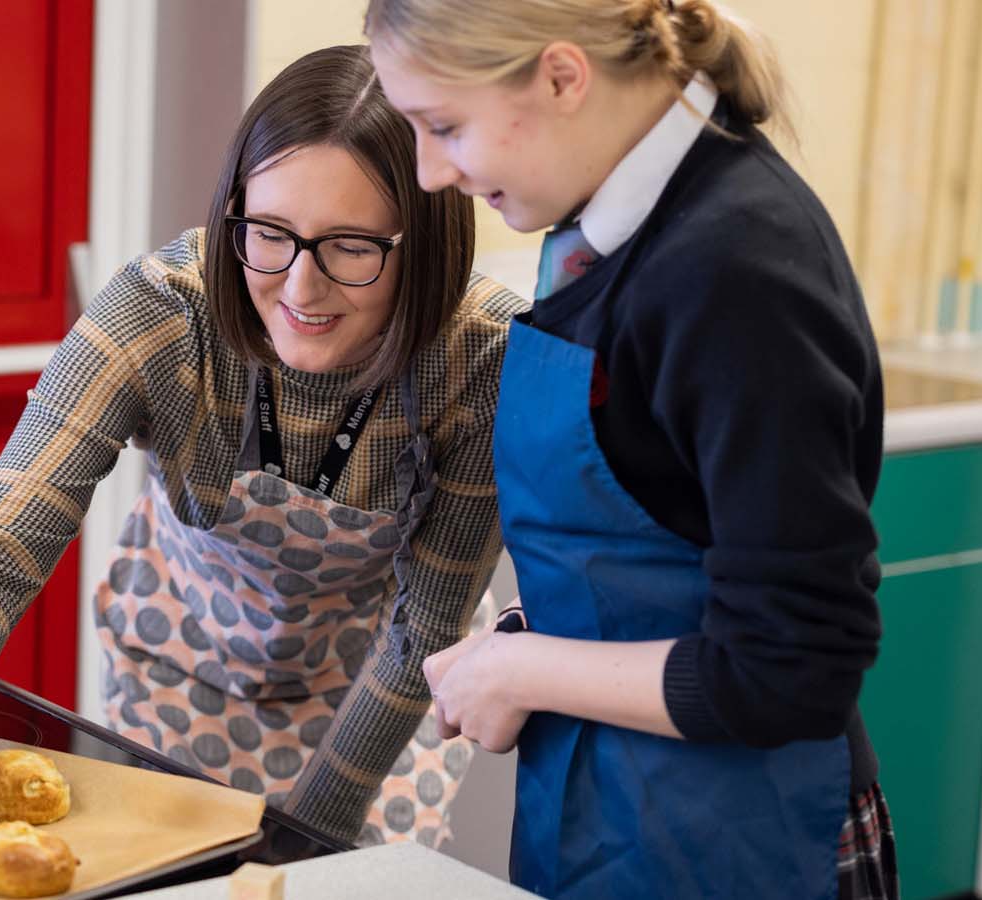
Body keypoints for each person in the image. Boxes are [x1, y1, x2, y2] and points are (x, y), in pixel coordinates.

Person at [0, 44, 527, 846]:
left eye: (351, 247)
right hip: (179, 667)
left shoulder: (482, 359)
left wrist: (309, 832)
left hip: (377, 693)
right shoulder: (163, 312)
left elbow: (423, 625)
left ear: (422, 245)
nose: (301, 287)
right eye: (270, 233)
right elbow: (3, 539)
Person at [365, 0, 896, 896]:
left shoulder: (735, 271)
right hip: (614, 818)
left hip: (744, 840)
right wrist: (520, 642)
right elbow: (662, 526)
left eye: (445, 127)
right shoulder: (603, 224)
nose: (429, 173)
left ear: (562, 78)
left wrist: (526, 669)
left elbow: (790, 667)